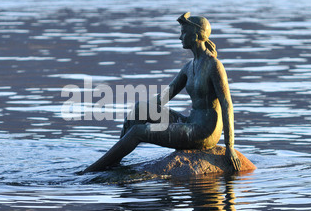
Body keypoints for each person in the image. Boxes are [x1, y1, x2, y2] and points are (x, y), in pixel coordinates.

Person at [84, 11, 241, 173]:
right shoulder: (189, 66)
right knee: (140, 109)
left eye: (183, 33)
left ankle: (92, 170)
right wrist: (141, 111)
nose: (180, 37)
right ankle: (114, 161)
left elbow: (227, 105)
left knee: (139, 132)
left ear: (195, 35)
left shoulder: (214, 66)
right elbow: (164, 97)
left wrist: (230, 147)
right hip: (191, 123)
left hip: (205, 132)